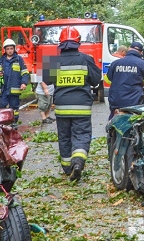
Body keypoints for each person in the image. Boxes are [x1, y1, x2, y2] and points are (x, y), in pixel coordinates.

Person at [44, 26, 102, 181]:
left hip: (62, 108)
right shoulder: (86, 59)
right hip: (82, 107)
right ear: (78, 42)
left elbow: (46, 79)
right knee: (81, 135)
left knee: (64, 137)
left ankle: (67, 168)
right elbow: (97, 81)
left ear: (60, 43)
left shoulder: (53, 60)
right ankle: (78, 162)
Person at [104, 41, 144, 119]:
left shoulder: (115, 63)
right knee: (135, 122)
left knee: (114, 121)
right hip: (135, 101)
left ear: (129, 49)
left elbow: (107, 80)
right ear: (141, 52)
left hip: (116, 100)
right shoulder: (143, 64)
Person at [0, 38, 29, 122]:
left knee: (14, 108)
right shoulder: (1, 60)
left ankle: (14, 123)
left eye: (11, 48)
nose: (10, 51)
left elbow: (25, 72)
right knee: (0, 105)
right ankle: (2, 123)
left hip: (14, 89)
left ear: (14, 49)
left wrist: (24, 83)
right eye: (8, 49)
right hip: (3, 89)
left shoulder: (19, 59)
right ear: (5, 50)